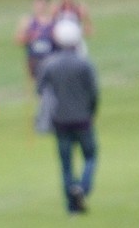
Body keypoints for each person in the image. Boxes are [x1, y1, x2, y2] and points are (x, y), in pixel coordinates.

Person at [37, 19, 99, 214]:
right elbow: (93, 92)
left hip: (60, 121)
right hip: (83, 119)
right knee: (90, 155)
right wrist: (91, 111)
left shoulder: (50, 64)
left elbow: (41, 89)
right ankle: (82, 187)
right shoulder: (84, 64)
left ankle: (72, 206)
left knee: (66, 164)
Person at [14, 0, 55, 85]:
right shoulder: (27, 20)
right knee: (38, 84)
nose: (40, 6)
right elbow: (18, 40)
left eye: (43, 4)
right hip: (34, 58)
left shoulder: (53, 20)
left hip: (51, 57)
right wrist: (30, 36)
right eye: (37, 3)